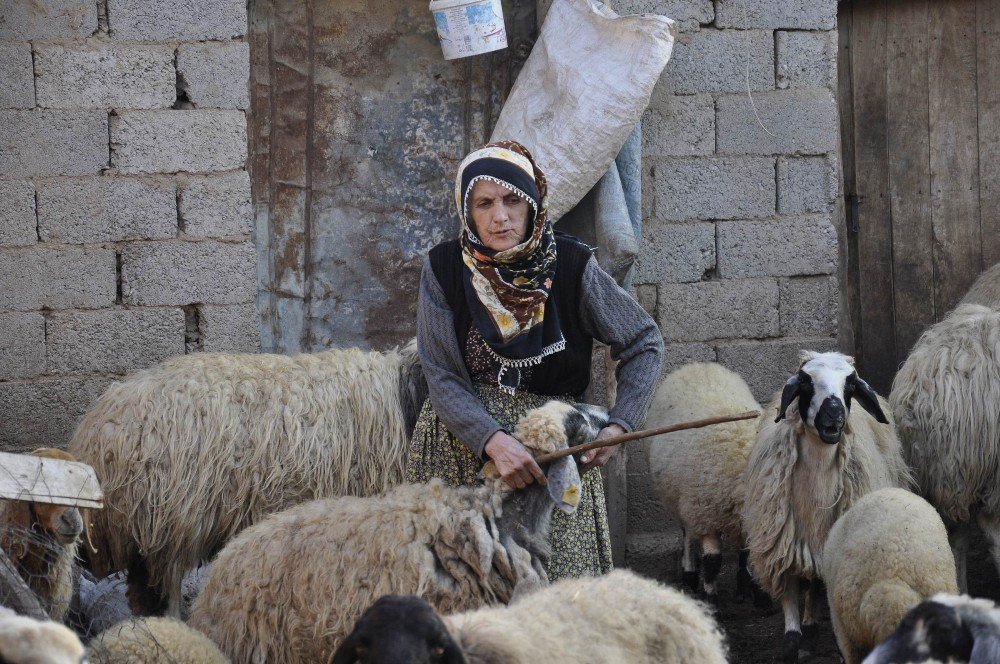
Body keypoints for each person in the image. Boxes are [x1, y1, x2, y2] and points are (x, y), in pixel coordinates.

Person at [408, 140, 663, 580]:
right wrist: (493, 441)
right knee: (461, 591)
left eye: (512, 199)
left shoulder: (572, 266)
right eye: (484, 203)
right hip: (461, 451)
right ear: (467, 211)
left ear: (533, 203)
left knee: (557, 594)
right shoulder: (445, 269)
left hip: (554, 454)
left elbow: (643, 342)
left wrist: (620, 425)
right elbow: (443, 374)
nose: (499, 216)